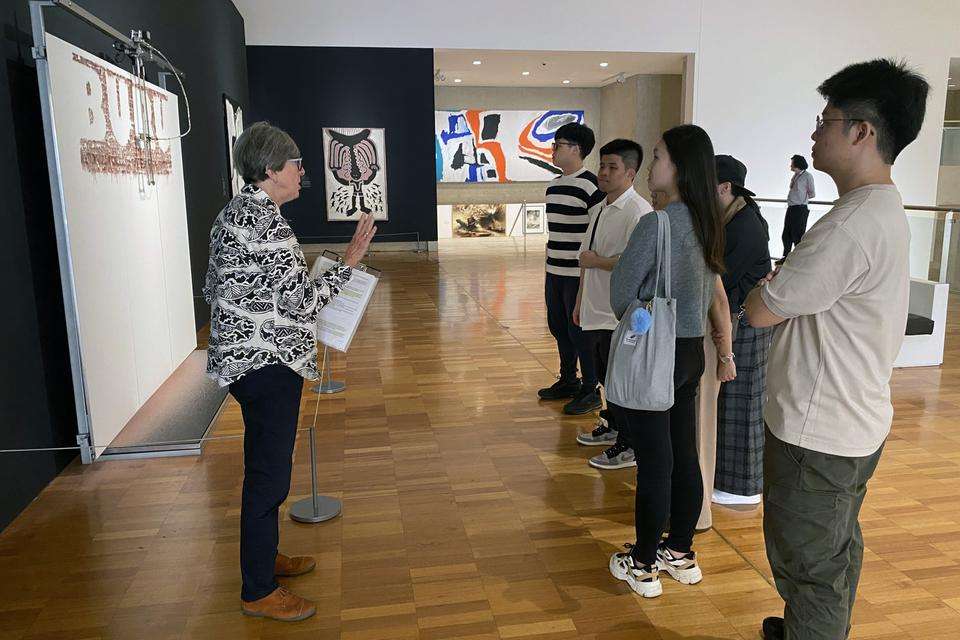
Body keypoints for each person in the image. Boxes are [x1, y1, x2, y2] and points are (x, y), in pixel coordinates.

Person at [743, 59, 929, 640]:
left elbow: (759, 309)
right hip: (852, 420)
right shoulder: (881, 210)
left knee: (809, 569)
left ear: (862, 132)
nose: (814, 133)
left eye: (825, 120)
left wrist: (768, 283)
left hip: (816, 431)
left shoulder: (848, 226)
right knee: (835, 551)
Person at [204, 121, 377, 622]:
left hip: (246, 359)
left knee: (264, 466)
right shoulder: (266, 222)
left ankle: (265, 558)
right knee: (268, 476)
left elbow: (221, 287)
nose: (304, 171)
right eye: (297, 162)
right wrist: (348, 262)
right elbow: (303, 304)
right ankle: (258, 589)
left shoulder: (238, 212)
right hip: (267, 364)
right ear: (271, 170)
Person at [606, 124, 732, 598]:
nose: (652, 165)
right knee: (683, 452)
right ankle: (679, 552)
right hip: (690, 349)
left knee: (654, 460)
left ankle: (641, 563)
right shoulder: (707, 223)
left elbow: (622, 295)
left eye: (657, 157)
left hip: (655, 351)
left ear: (677, 167)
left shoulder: (656, 224)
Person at [572, 139, 652, 472]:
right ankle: (615, 426)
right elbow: (585, 259)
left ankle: (630, 445)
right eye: (602, 165)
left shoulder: (639, 212)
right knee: (607, 376)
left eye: (612, 167)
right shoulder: (602, 207)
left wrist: (598, 262)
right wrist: (579, 300)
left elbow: (638, 264)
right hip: (597, 309)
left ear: (630, 173)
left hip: (618, 313)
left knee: (621, 379)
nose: (603, 172)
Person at [710, 155, 773, 509]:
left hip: (746, 323)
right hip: (736, 320)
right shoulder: (732, 217)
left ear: (724, 187)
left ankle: (742, 488)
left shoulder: (744, 224)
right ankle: (730, 481)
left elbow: (721, 281)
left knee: (743, 403)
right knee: (731, 403)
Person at [539, 122, 606, 415]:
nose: (553, 150)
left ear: (576, 150)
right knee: (558, 327)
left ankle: (590, 389)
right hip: (554, 271)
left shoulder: (591, 185)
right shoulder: (554, 185)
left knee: (579, 330)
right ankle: (568, 379)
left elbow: (596, 232)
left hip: (577, 275)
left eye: (558, 145)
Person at [779, 154, 815, 262]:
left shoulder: (807, 176)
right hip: (791, 208)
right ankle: (785, 257)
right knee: (786, 235)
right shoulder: (795, 175)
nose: (790, 165)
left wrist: (802, 197)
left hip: (800, 209)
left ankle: (798, 260)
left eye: (792, 163)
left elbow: (812, 193)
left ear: (797, 164)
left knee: (797, 235)